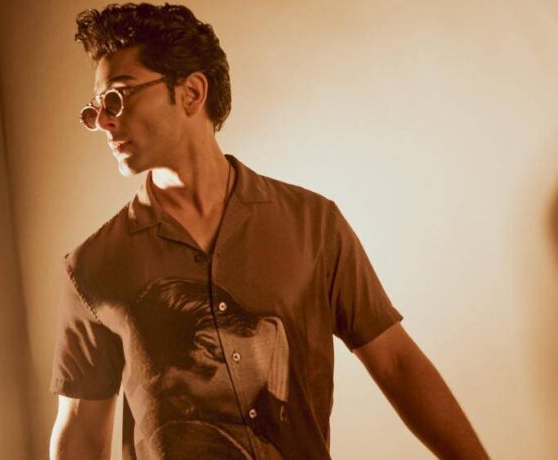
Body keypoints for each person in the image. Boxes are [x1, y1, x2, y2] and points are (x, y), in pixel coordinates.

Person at [49, 3, 490, 459]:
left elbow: (396, 363)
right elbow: (80, 430)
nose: (103, 121)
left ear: (192, 92)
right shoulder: (92, 268)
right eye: (95, 110)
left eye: (117, 98)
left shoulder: (313, 225)